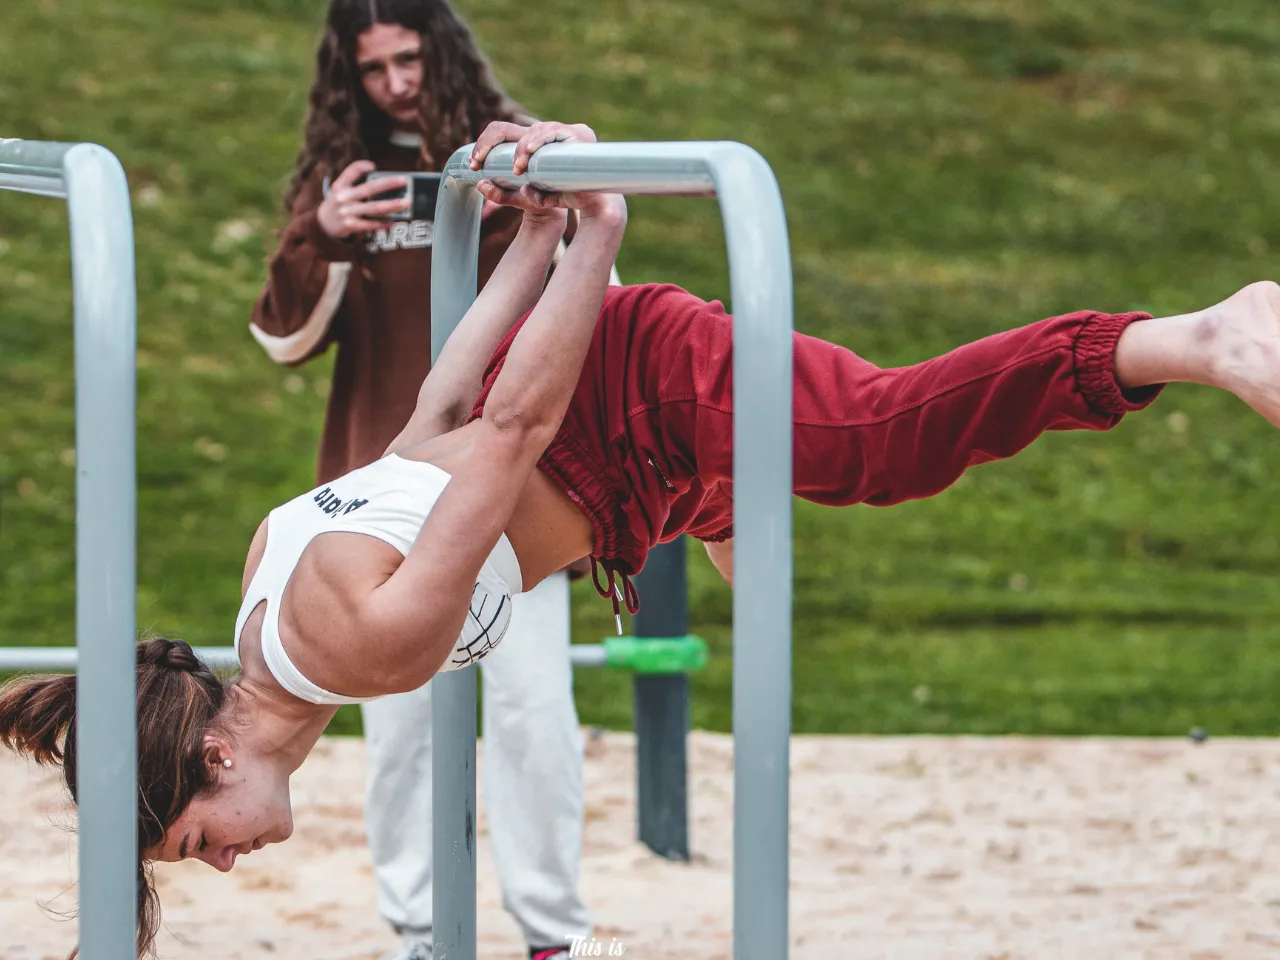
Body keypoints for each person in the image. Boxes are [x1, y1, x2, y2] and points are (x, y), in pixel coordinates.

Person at [6, 118, 1280, 958]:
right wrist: (538, 238)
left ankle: (1189, 340)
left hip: (622, 413)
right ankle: (736, 484)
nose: (223, 863)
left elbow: (505, 431)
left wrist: (592, 238)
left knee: (877, 442)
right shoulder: (266, 612)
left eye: (195, 841)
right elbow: (435, 416)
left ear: (217, 747)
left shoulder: (367, 647)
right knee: (776, 527)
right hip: (619, 477)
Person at [248, 3, 591, 958]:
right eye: (373, 67)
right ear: (347, 77)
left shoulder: (510, 149)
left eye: (409, 58)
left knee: (532, 717)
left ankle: (552, 934)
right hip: (383, 492)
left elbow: (581, 292)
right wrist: (320, 233)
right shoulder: (346, 178)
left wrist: (527, 213)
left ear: (439, 52)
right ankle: (417, 929)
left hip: (513, 484)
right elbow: (281, 337)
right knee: (401, 734)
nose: (395, 81)